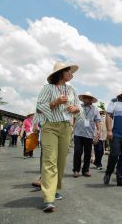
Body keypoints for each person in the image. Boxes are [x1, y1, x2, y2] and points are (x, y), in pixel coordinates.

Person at [35, 61, 84, 213]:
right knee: (49, 160)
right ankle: (48, 199)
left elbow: (79, 109)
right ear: (60, 73)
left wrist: (75, 108)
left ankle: (54, 188)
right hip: (50, 126)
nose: (72, 74)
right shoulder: (48, 88)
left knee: (61, 161)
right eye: (69, 71)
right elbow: (39, 106)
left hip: (65, 127)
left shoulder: (71, 90)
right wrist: (55, 102)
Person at [73, 92, 101, 177]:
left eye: (87, 98)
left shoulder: (95, 109)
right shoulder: (78, 107)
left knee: (88, 153)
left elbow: (98, 120)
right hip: (78, 133)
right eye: (84, 97)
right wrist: (71, 127)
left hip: (89, 134)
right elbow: (73, 117)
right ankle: (76, 170)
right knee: (78, 151)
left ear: (91, 100)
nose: (85, 99)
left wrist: (99, 131)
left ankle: (85, 170)